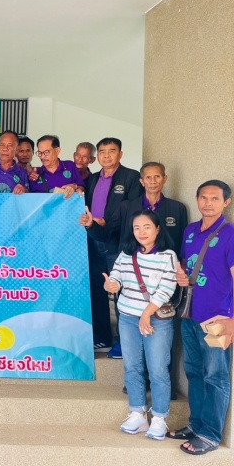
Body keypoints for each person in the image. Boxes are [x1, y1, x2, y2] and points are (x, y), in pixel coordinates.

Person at [167, 180, 234, 455]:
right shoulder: (190, 231)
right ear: (197, 199)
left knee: (215, 377)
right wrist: (180, 275)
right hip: (189, 315)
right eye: (203, 197)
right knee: (193, 372)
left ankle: (210, 435)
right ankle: (196, 424)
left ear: (226, 202)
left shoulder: (232, 235)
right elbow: (185, 265)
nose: (208, 203)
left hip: (216, 321)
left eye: (215, 198)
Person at [104, 210, 177, 440]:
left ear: (157, 229)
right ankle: (138, 414)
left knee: (158, 369)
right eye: (137, 228)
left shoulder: (168, 256)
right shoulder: (126, 254)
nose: (141, 232)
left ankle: (159, 418)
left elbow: (167, 288)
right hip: (127, 317)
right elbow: (115, 277)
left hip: (156, 320)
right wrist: (111, 285)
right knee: (132, 367)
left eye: (147, 227)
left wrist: (146, 314)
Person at [82, 138, 142, 356]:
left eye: (111, 151)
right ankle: (102, 337)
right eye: (102, 152)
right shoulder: (93, 178)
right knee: (96, 289)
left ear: (120, 154)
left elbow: (132, 209)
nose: (106, 156)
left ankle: (123, 342)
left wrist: (107, 222)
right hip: (93, 239)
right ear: (97, 156)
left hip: (118, 242)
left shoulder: (131, 177)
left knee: (120, 291)